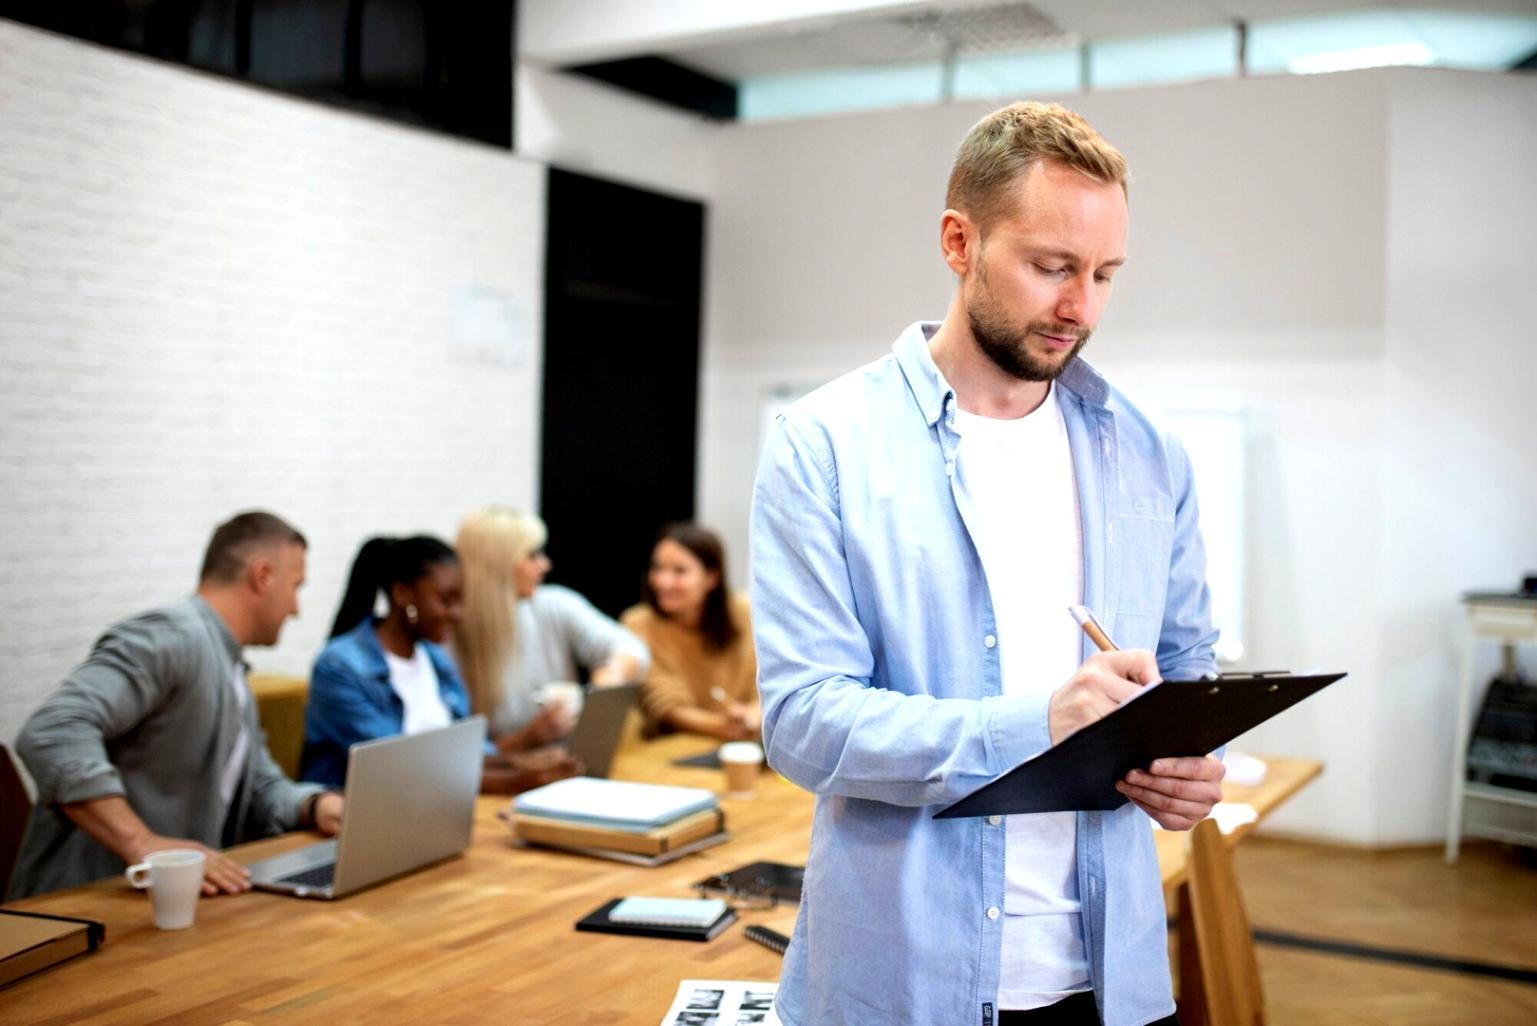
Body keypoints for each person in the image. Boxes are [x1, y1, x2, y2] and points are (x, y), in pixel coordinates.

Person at [750, 102, 1224, 1026]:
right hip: (902, 984)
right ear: (958, 241)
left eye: (1103, 274)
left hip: (1111, 980)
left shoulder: (1149, 453)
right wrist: (1035, 725)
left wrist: (1189, 762)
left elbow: (1189, 666)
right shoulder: (824, 446)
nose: (1079, 306)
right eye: (1051, 267)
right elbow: (803, 724)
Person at [9, 511, 345, 899]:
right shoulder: (172, 638)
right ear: (263, 575)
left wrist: (314, 804)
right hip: (82, 912)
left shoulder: (230, 667)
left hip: (167, 907)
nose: (295, 609)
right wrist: (142, 843)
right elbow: (53, 730)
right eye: (295, 587)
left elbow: (258, 784)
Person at [302, 535, 579, 793]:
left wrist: (527, 763)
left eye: (460, 600)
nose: (457, 614)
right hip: (354, 817)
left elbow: (464, 752)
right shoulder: (339, 668)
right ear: (402, 595)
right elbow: (397, 766)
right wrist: (514, 780)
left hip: (428, 808)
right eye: (446, 600)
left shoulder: (434, 660)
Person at [452, 506, 649, 756]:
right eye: (532, 555)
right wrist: (527, 739)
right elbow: (455, 758)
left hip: (561, 768)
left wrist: (612, 674)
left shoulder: (554, 605)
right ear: (499, 564)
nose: (545, 565)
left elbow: (632, 649)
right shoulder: (448, 635)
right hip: (498, 782)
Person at [621, 523, 758, 740]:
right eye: (657, 568)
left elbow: (771, 680)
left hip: (745, 744)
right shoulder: (637, 623)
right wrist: (723, 725)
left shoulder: (744, 612)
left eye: (679, 571)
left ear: (711, 578)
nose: (664, 582)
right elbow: (661, 703)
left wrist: (753, 715)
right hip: (672, 745)